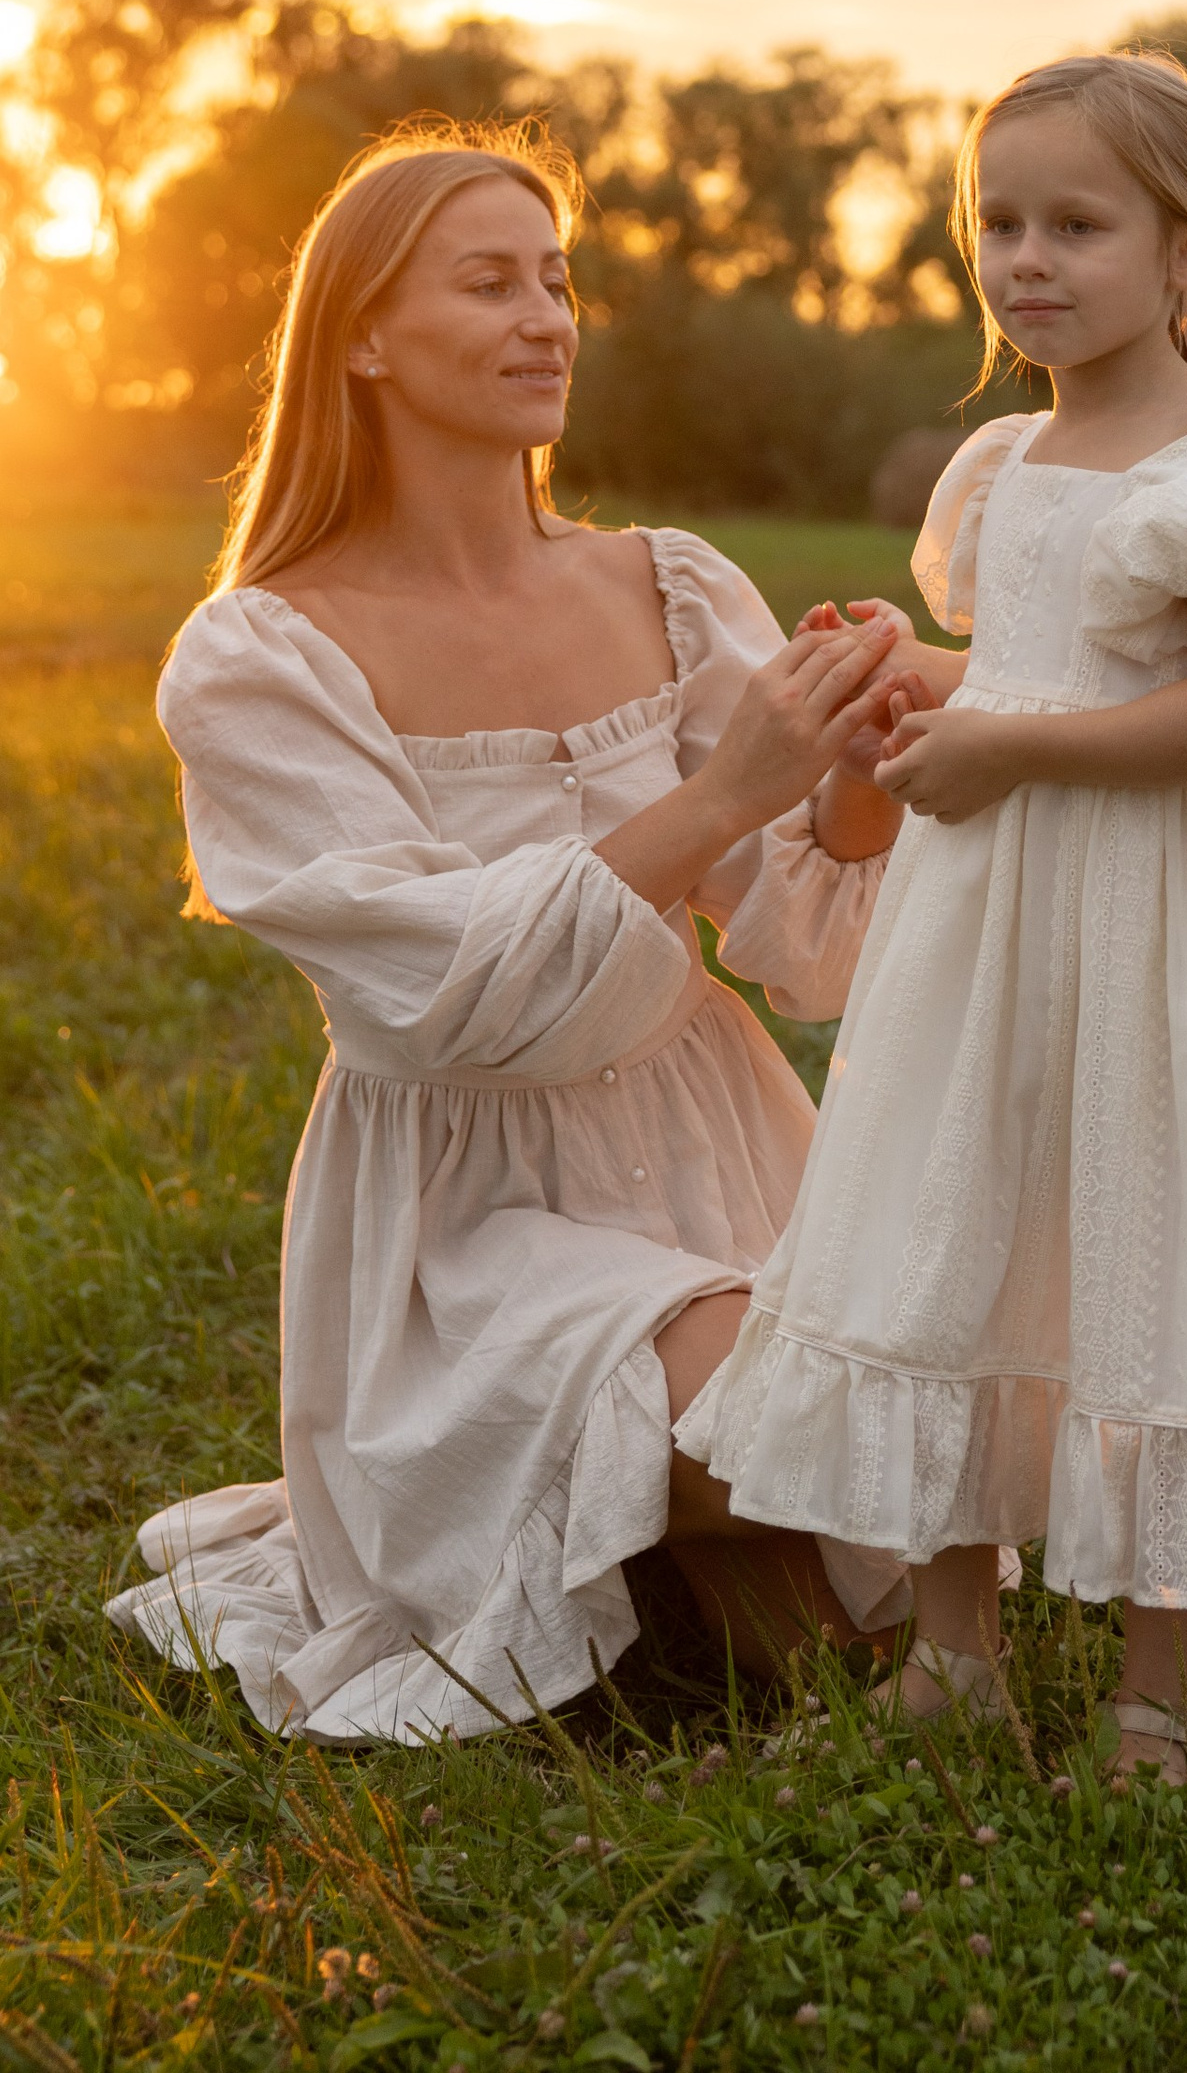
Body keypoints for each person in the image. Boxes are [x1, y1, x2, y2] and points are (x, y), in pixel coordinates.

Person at [675, 51, 1187, 1783]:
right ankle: (958, 1649)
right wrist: (917, 679)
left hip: (1162, 920)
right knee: (959, 1218)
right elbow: (1045, 671)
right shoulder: (1012, 458)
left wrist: (1013, 746)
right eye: (999, 220)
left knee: (1159, 1241)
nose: (1026, 258)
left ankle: (1155, 1694)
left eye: (1077, 223)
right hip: (992, 919)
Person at [105, 123, 912, 1741]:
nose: (547, 316)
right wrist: (716, 789)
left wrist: (853, 778)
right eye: (489, 282)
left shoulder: (665, 583)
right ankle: (626, 1511)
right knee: (816, 1421)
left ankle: (688, 1551)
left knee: (875, 1491)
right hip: (466, 1225)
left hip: (716, 1141)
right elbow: (447, 996)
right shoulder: (262, 655)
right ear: (361, 333)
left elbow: (809, 960)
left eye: (556, 279)